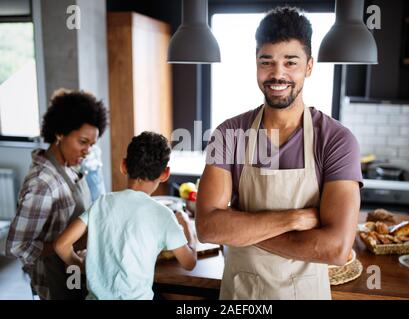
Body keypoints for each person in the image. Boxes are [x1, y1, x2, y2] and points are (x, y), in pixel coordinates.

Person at [196, 6, 363, 300]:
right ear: (256, 64)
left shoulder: (336, 140)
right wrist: (294, 219)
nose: (277, 74)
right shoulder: (229, 133)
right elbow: (208, 228)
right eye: (267, 62)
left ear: (309, 66)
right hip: (241, 296)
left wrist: (242, 227)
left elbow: (335, 249)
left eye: (291, 62)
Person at [54, 131, 197, 300]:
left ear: (123, 166)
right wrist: (188, 229)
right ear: (165, 174)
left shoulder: (102, 202)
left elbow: (61, 245)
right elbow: (189, 263)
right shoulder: (163, 215)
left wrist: (82, 266)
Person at [6, 88, 108, 300]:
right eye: (82, 142)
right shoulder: (42, 183)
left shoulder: (69, 167)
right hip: (56, 281)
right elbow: (17, 247)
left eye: (92, 144)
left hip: (74, 272)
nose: (88, 151)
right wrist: (61, 245)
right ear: (60, 133)